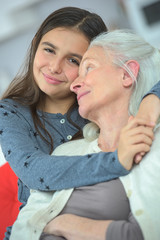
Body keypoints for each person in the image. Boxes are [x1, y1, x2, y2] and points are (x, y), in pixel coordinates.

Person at [9, 29, 160, 240]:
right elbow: (23, 229)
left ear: (126, 73)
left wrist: (65, 224)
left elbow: (145, 233)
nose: (74, 85)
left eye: (88, 67)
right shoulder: (65, 152)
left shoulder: (155, 143)